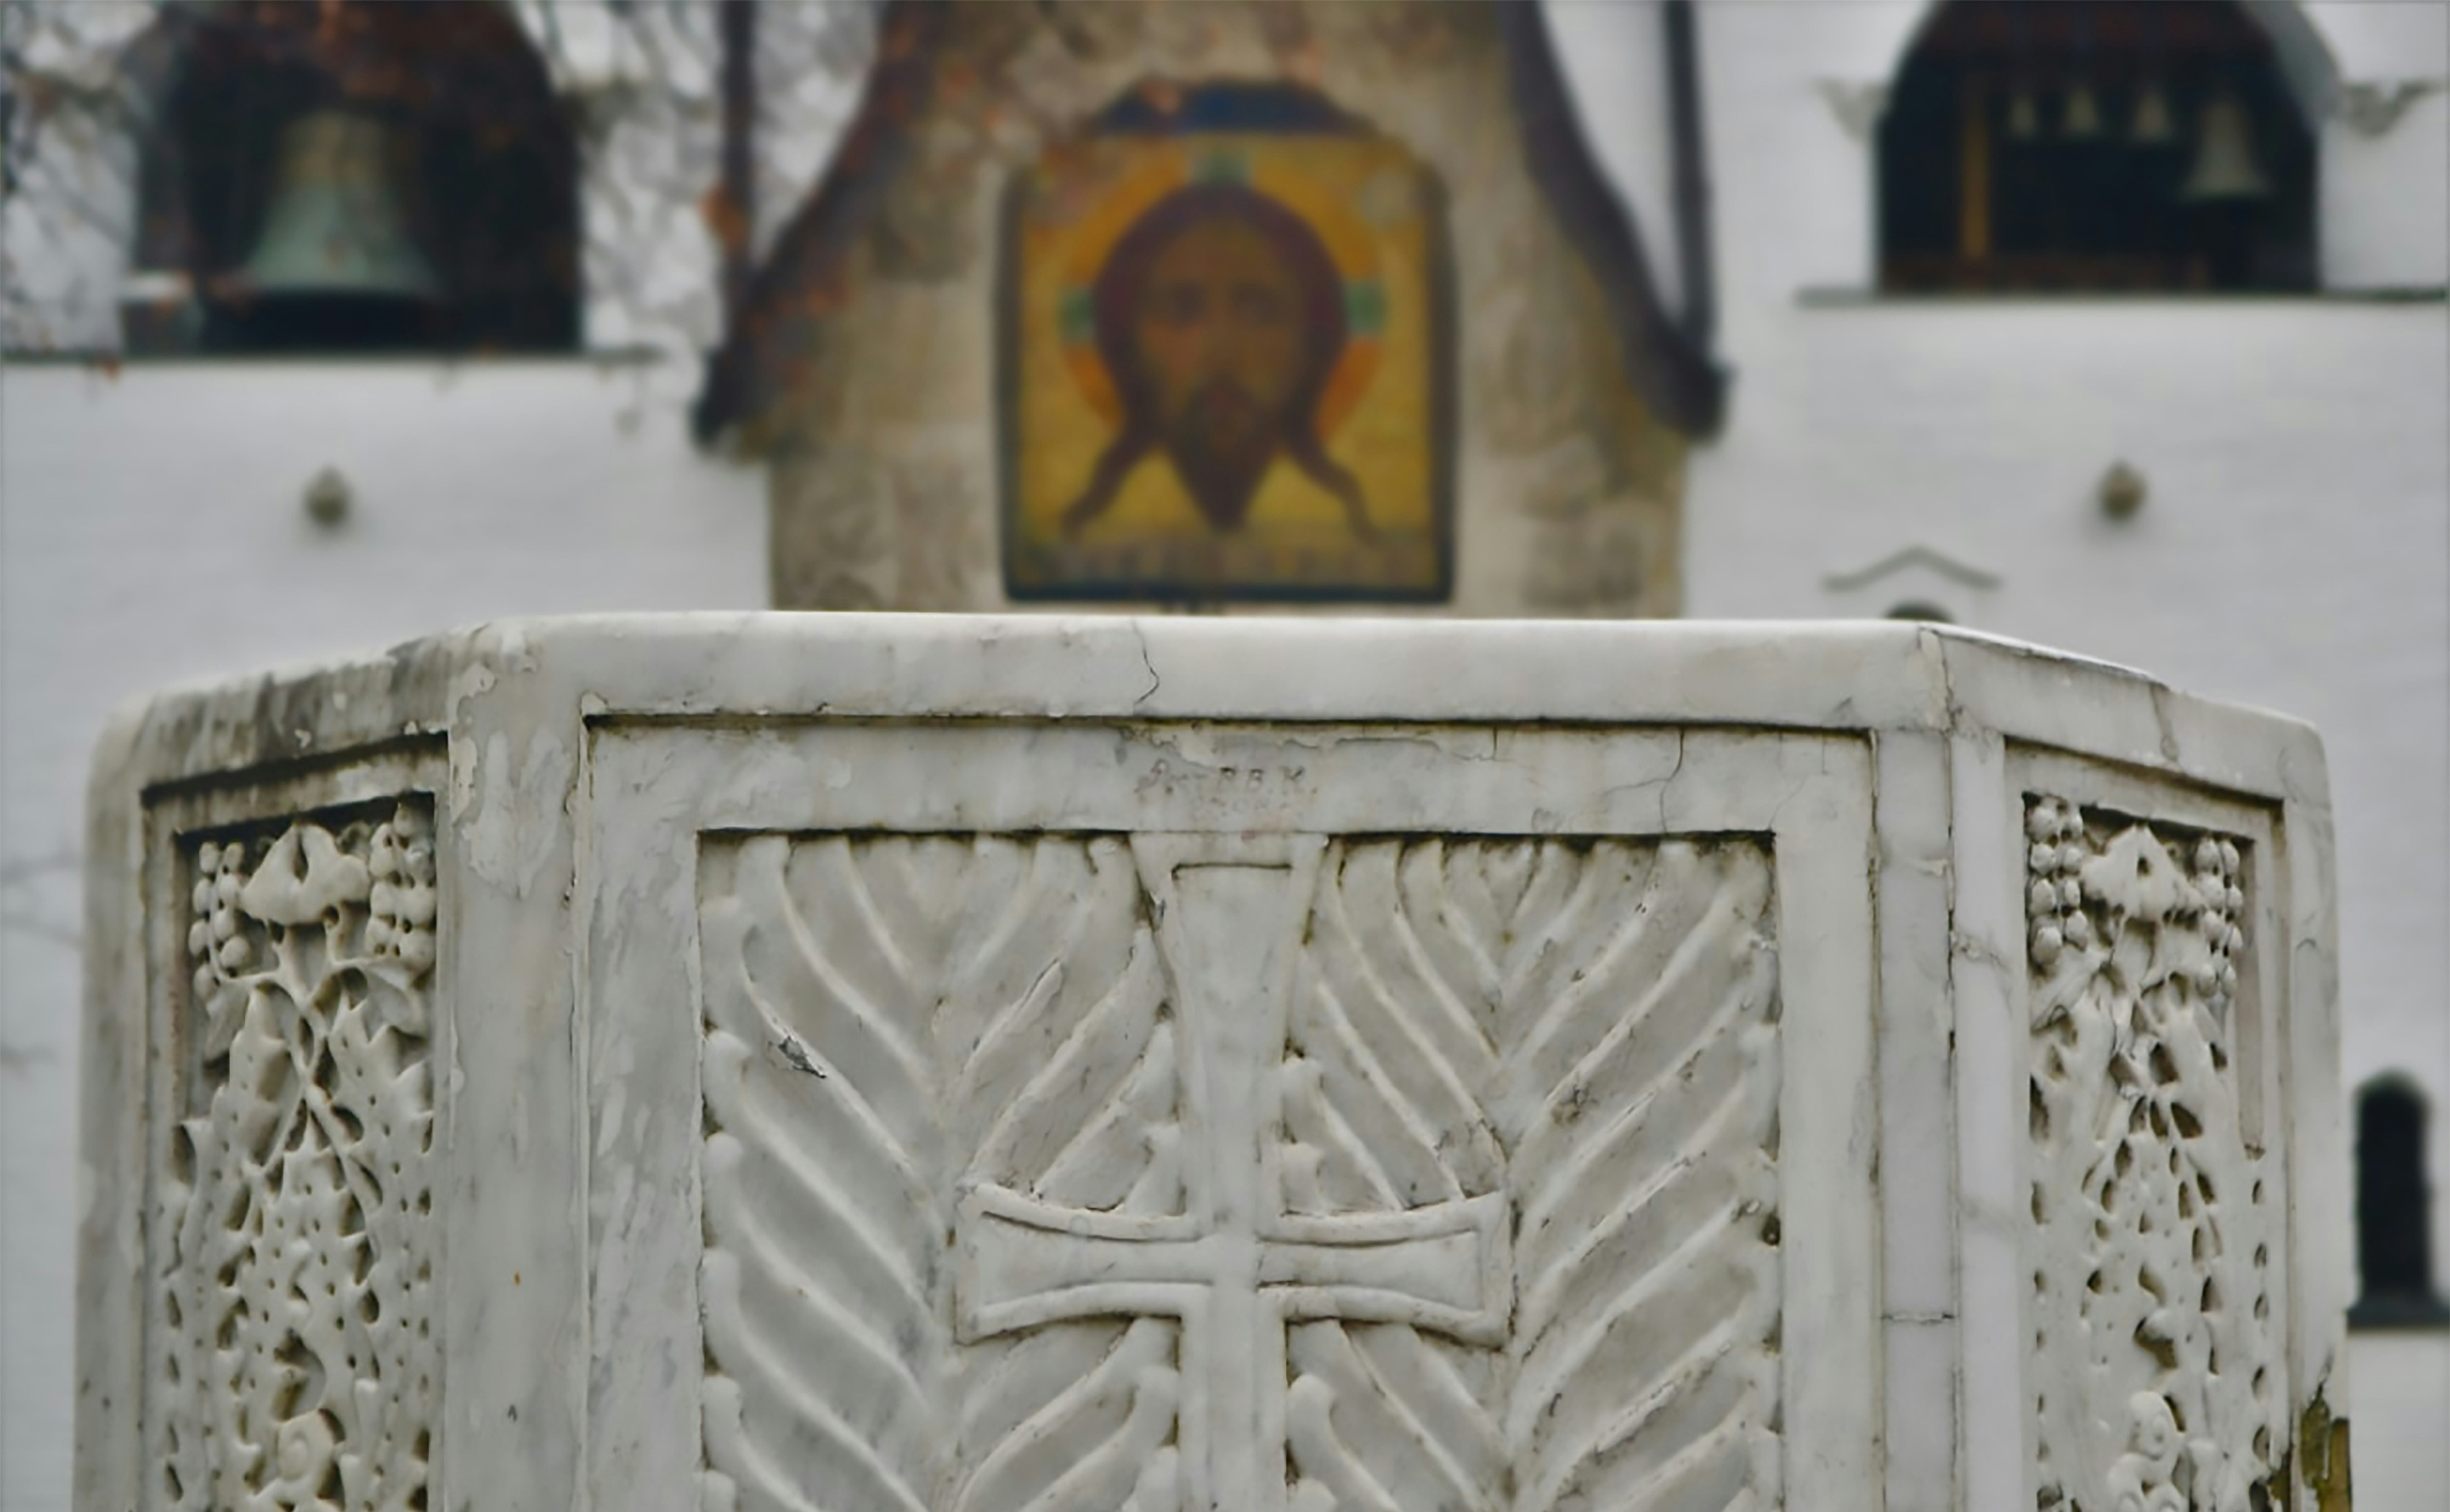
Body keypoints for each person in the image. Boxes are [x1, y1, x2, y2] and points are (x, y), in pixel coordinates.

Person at [1061, 180, 1374, 540]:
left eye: (1259, 311)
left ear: (1308, 350)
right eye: (1180, 310)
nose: (1220, 353)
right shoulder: (1098, 535)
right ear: (1131, 349)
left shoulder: (1338, 532)